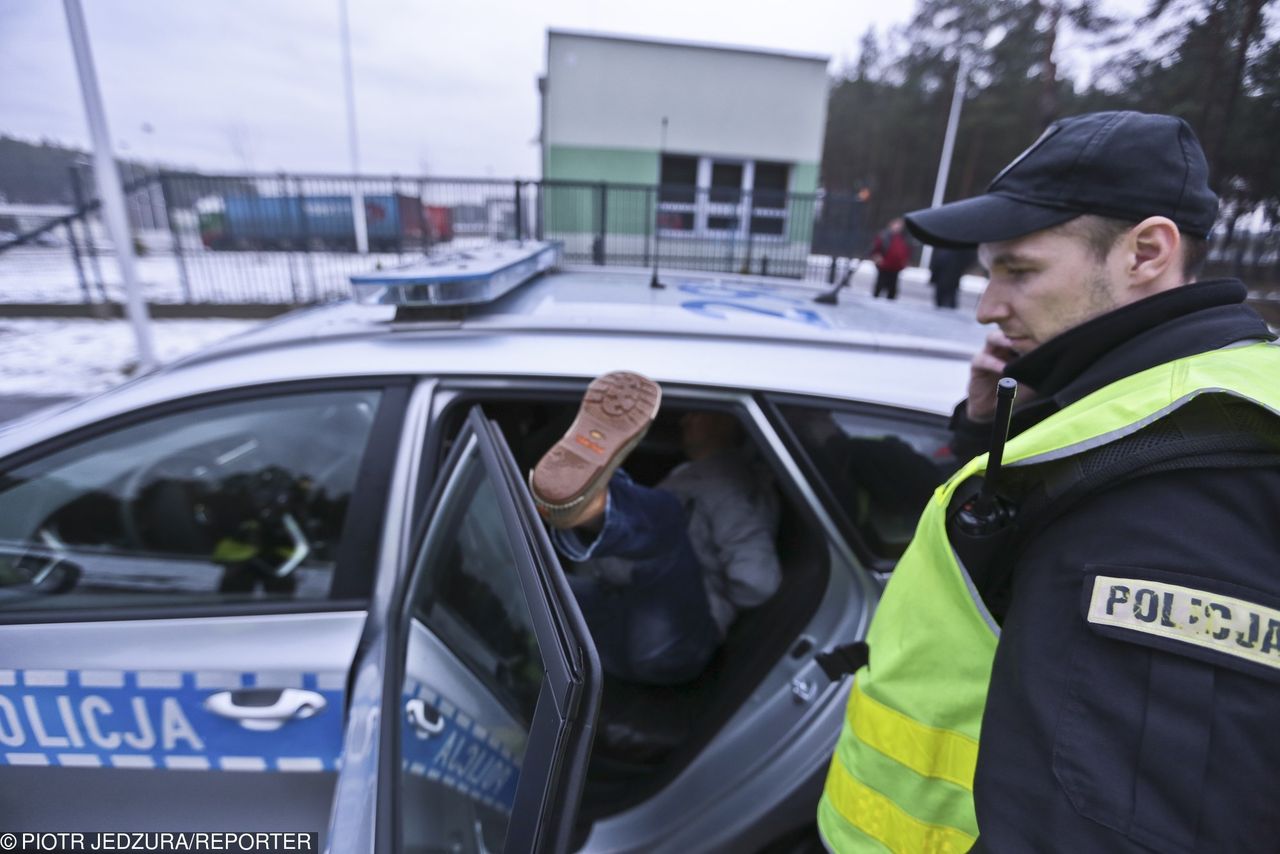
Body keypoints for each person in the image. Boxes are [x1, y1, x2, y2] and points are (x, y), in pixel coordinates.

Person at [817, 111, 1280, 853]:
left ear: (1147, 252)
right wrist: (991, 433)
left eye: (1019, 270)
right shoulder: (1135, 414)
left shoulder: (1189, 480)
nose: (987, 308)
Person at [530, 371, 782, 686]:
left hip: (677, 640)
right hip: (623, 612)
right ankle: (593, 503)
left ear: (726, 423)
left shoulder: (730, 484)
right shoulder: (696, 475)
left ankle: (597, 506)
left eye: (697, 413)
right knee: (529, 592)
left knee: (667, 524)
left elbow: (759, 581)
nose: (684, 419)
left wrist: (697, 586)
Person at [870, 217, 911, 299]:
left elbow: (907, 251)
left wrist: (906, 261)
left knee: (893, 287)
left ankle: (890, 300)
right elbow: (875, 248)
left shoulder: (903, 238)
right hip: (884, 265)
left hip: (896, 266)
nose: (898, 227)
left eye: (900, 225)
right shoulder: (883, 235)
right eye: (896, 225)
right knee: (880, 283)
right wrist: (877, 257)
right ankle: (875, 297)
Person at [929, 245, 977, 309]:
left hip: (951, 276)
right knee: (942, 296)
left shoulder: (960, 248)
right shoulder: (943, 247)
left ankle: (948, 307)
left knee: (949, 296)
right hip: (944, 276)